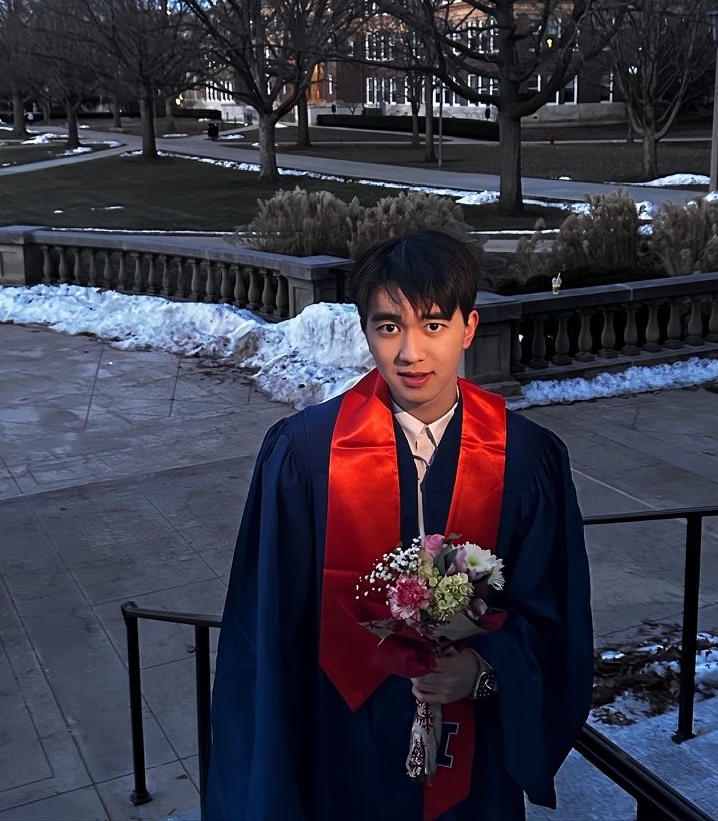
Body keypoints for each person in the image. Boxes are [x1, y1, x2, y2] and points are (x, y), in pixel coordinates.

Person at [205, 231, 593, 821]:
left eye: (433, 325)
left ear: (469, 327)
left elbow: (554, 620)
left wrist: (484, 671)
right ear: (366, 332)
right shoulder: (303, 456)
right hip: (341, 753)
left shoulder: (526, 460)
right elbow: (267, 638)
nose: (410, 352)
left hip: (473, 757)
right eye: (389, 327)